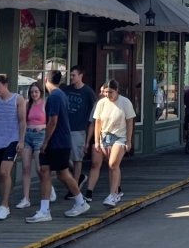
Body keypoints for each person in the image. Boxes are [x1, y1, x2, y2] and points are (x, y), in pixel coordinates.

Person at [26, 70, 90, 222]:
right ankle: (44, 210)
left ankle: (81, 202)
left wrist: (45, 142)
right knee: (44, 171)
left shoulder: (55, 96)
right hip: (58, 141)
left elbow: (53, 121)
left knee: (63, 174)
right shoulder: (61, 95)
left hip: (58, 142)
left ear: (46, 80)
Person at [90, 79, 137, 208]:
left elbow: (129, 122)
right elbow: (98, 122)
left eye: (110, 92)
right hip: (105, 136)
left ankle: (112, 195)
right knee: (113, 166)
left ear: (117, 91)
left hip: (120, 136)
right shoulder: (101, 103)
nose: (107, 94)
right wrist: (97, 141)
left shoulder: (125, 102)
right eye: (105, 92)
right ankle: (117, 191)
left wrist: (129, 140)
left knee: (113, 164)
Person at [0, 75, 25, 221]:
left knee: (4, 171)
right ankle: (3, 205)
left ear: (5, 85)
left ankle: (4, 205)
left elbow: (22, 121)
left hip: (12, 139)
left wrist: (21, 141)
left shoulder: (17, 99)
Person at [62, 65, 97, 193]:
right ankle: (78, 178)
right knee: (63, 157)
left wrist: (91, 123)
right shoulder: (66, 90)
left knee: (77, 158)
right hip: (64, 129)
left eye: (74, 75)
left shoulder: (88, 92)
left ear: (81, 75)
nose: (71, 77)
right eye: (70, 75)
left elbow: (96, 108)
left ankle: (75, 187)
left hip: (78, 129)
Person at [16, 82, 47, 209]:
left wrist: (43, 126)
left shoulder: (45, 104)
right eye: (32, 92)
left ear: (41, 92)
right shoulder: (27, 104)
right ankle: (26, 198)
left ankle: (48, 188)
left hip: (40, 135)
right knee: (26, 168)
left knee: (40, 169)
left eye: (36, 92)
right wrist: (21, 139)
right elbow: (22, 121)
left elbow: (52, 122)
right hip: (27, 135)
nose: (34, 94)